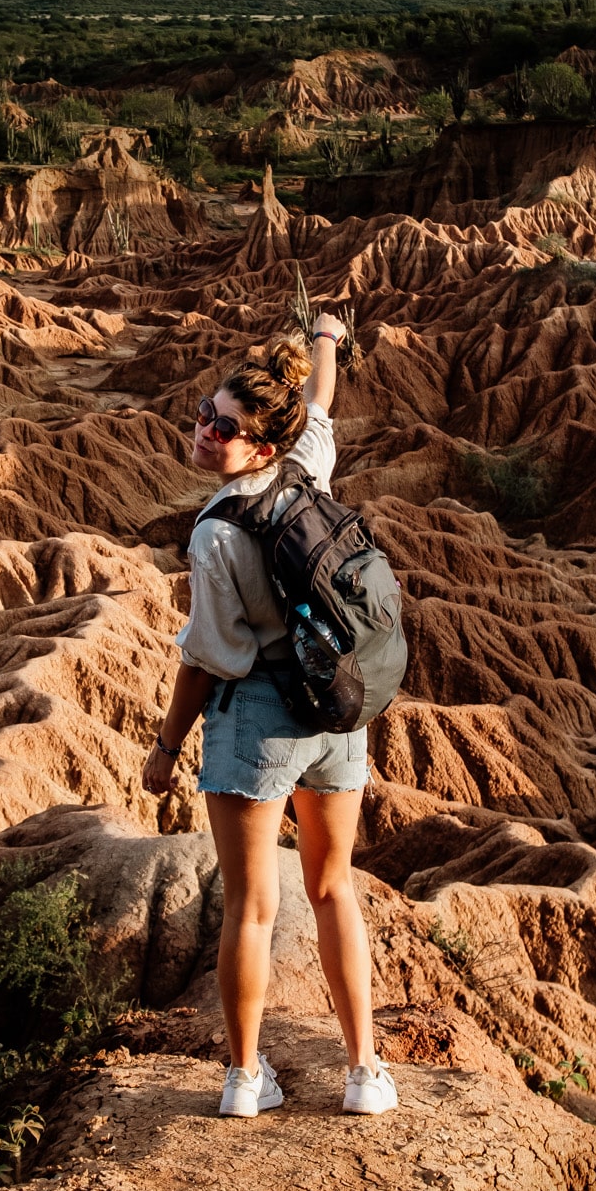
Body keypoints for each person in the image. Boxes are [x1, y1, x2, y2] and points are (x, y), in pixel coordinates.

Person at [142, 312, 398, 1120]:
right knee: (333, 889)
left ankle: (246, 1079)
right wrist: (325, 338)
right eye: (202, 416)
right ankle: (363, 1073)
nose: (203, 433)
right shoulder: (306, 469)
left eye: (222, 428)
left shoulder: (214, 532)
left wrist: (166, 745)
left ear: (257, 445)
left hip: (256, 721)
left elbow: (208, 656)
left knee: (251, 907)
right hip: (337, 710)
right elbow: (316, 403)